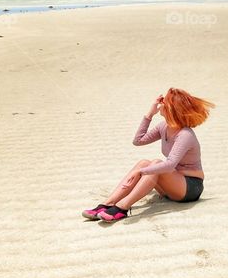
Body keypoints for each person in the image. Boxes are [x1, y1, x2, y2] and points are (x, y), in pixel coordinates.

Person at [82, 87, 215, 223]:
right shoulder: (164, 126)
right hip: (173, 184)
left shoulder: (185, 135)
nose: (160, 103)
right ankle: (108, 204)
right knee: (144, 162)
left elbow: (169, 166)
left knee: (156, 164)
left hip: (190, 187)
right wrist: (149, 114)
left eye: (164, 101)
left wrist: (141, 172)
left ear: (170, 108)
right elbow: (138, 141)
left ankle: (122, 208)